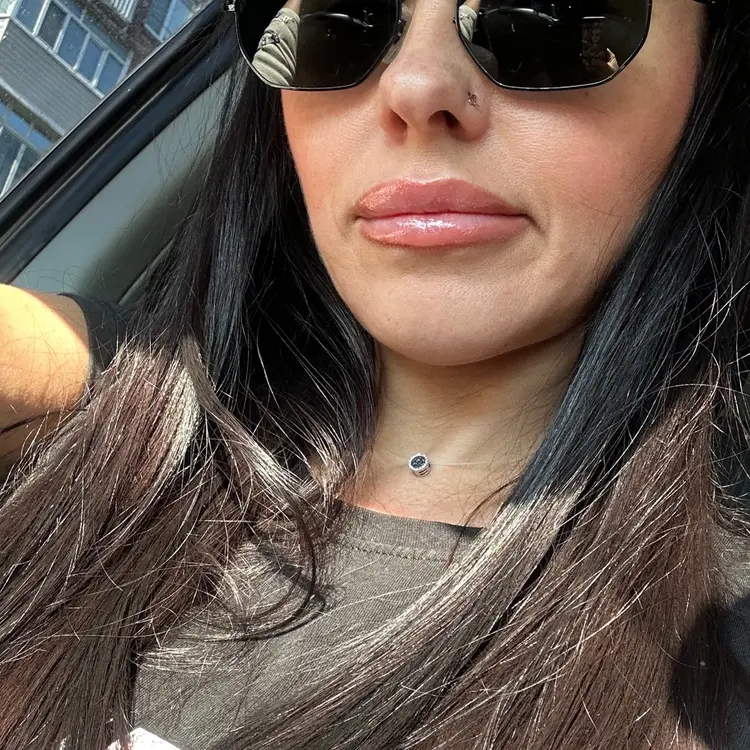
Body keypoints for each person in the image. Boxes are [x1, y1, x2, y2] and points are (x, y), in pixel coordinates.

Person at [0, 0, 748, 748]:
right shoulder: (124, 402)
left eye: (545, 14)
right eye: (339, 16)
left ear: (708, 68)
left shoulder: (717, 657)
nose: (415, 86)